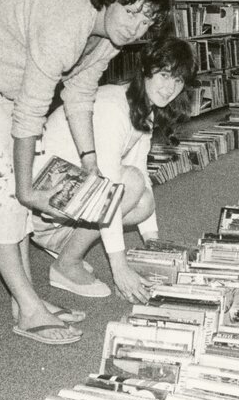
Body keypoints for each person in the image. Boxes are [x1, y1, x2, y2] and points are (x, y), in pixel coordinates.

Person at [0, 0, 173, 345]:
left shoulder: (109, 37)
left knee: (13, 199)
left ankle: (26, 299)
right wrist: (26, 190)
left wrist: (90, 160)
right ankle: (28, 308)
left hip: (12, 86)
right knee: (2, 196)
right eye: (131, 12)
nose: (135, 29)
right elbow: (31, 113)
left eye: (146, 22)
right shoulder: (67, 23)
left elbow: (79, 93)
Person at [31, 37, 196, 305]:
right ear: (145, 70)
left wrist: (154, 246)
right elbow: (109, 188)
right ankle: (66, 264)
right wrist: (119, 269)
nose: (170, 88)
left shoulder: (144, 109)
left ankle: (65, 245)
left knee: (144, 201)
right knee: (129, 182)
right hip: (43, 203)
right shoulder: (113, 107)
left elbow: (141, 175)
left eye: (178, 81)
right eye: (165, 75)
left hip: (69, 197)